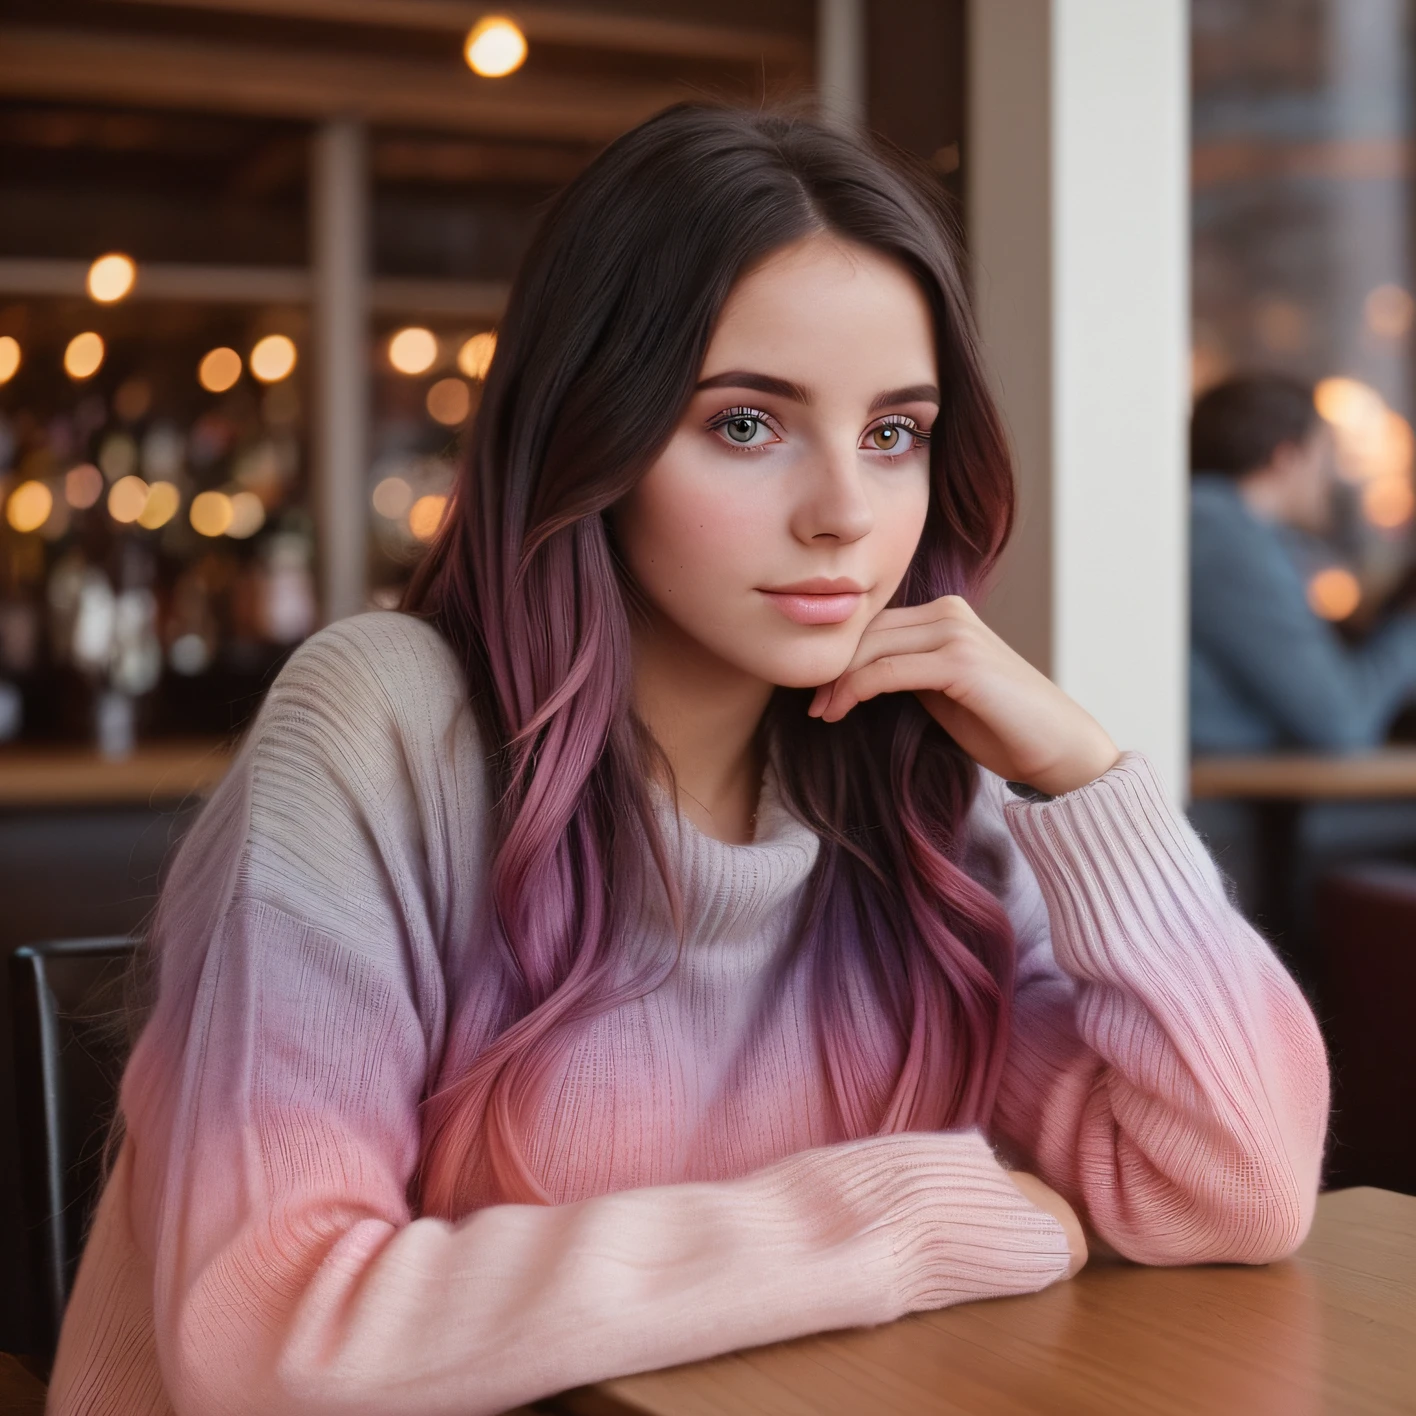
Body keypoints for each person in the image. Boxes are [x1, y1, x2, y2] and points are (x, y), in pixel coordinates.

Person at [50, 107, 1328, 1416]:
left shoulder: (917, 782)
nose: (844, 512)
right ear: (590, 436)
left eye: (894, 433)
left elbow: (1228, 1187)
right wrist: (881, 1223)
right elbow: (272, 1342)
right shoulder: (383, 723)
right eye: (745, 425)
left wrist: (1083, 776)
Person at [1190, 373, 1416, 752]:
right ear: (1286, 457)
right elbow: (1342, 723)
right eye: (1326, 456)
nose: (1332, 477)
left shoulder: (1216, 526)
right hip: (1226, 794)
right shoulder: (1227, 539)